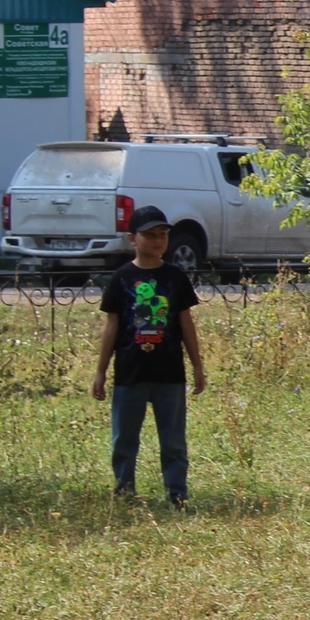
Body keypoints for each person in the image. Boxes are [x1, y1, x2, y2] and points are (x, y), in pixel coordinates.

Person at [92, 205, 205, 505]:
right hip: (130, 374)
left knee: (173, 442)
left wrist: (197, 365)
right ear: (132, 238)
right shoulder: (122, 278)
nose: (157, 241)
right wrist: (100, 371)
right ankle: (124, 493)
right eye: (150, 235)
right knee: (124, 440)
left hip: (169, 374)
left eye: (163, 235)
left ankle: (177, 494)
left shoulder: (175, 277)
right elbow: (112, 327)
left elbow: (186, 324)